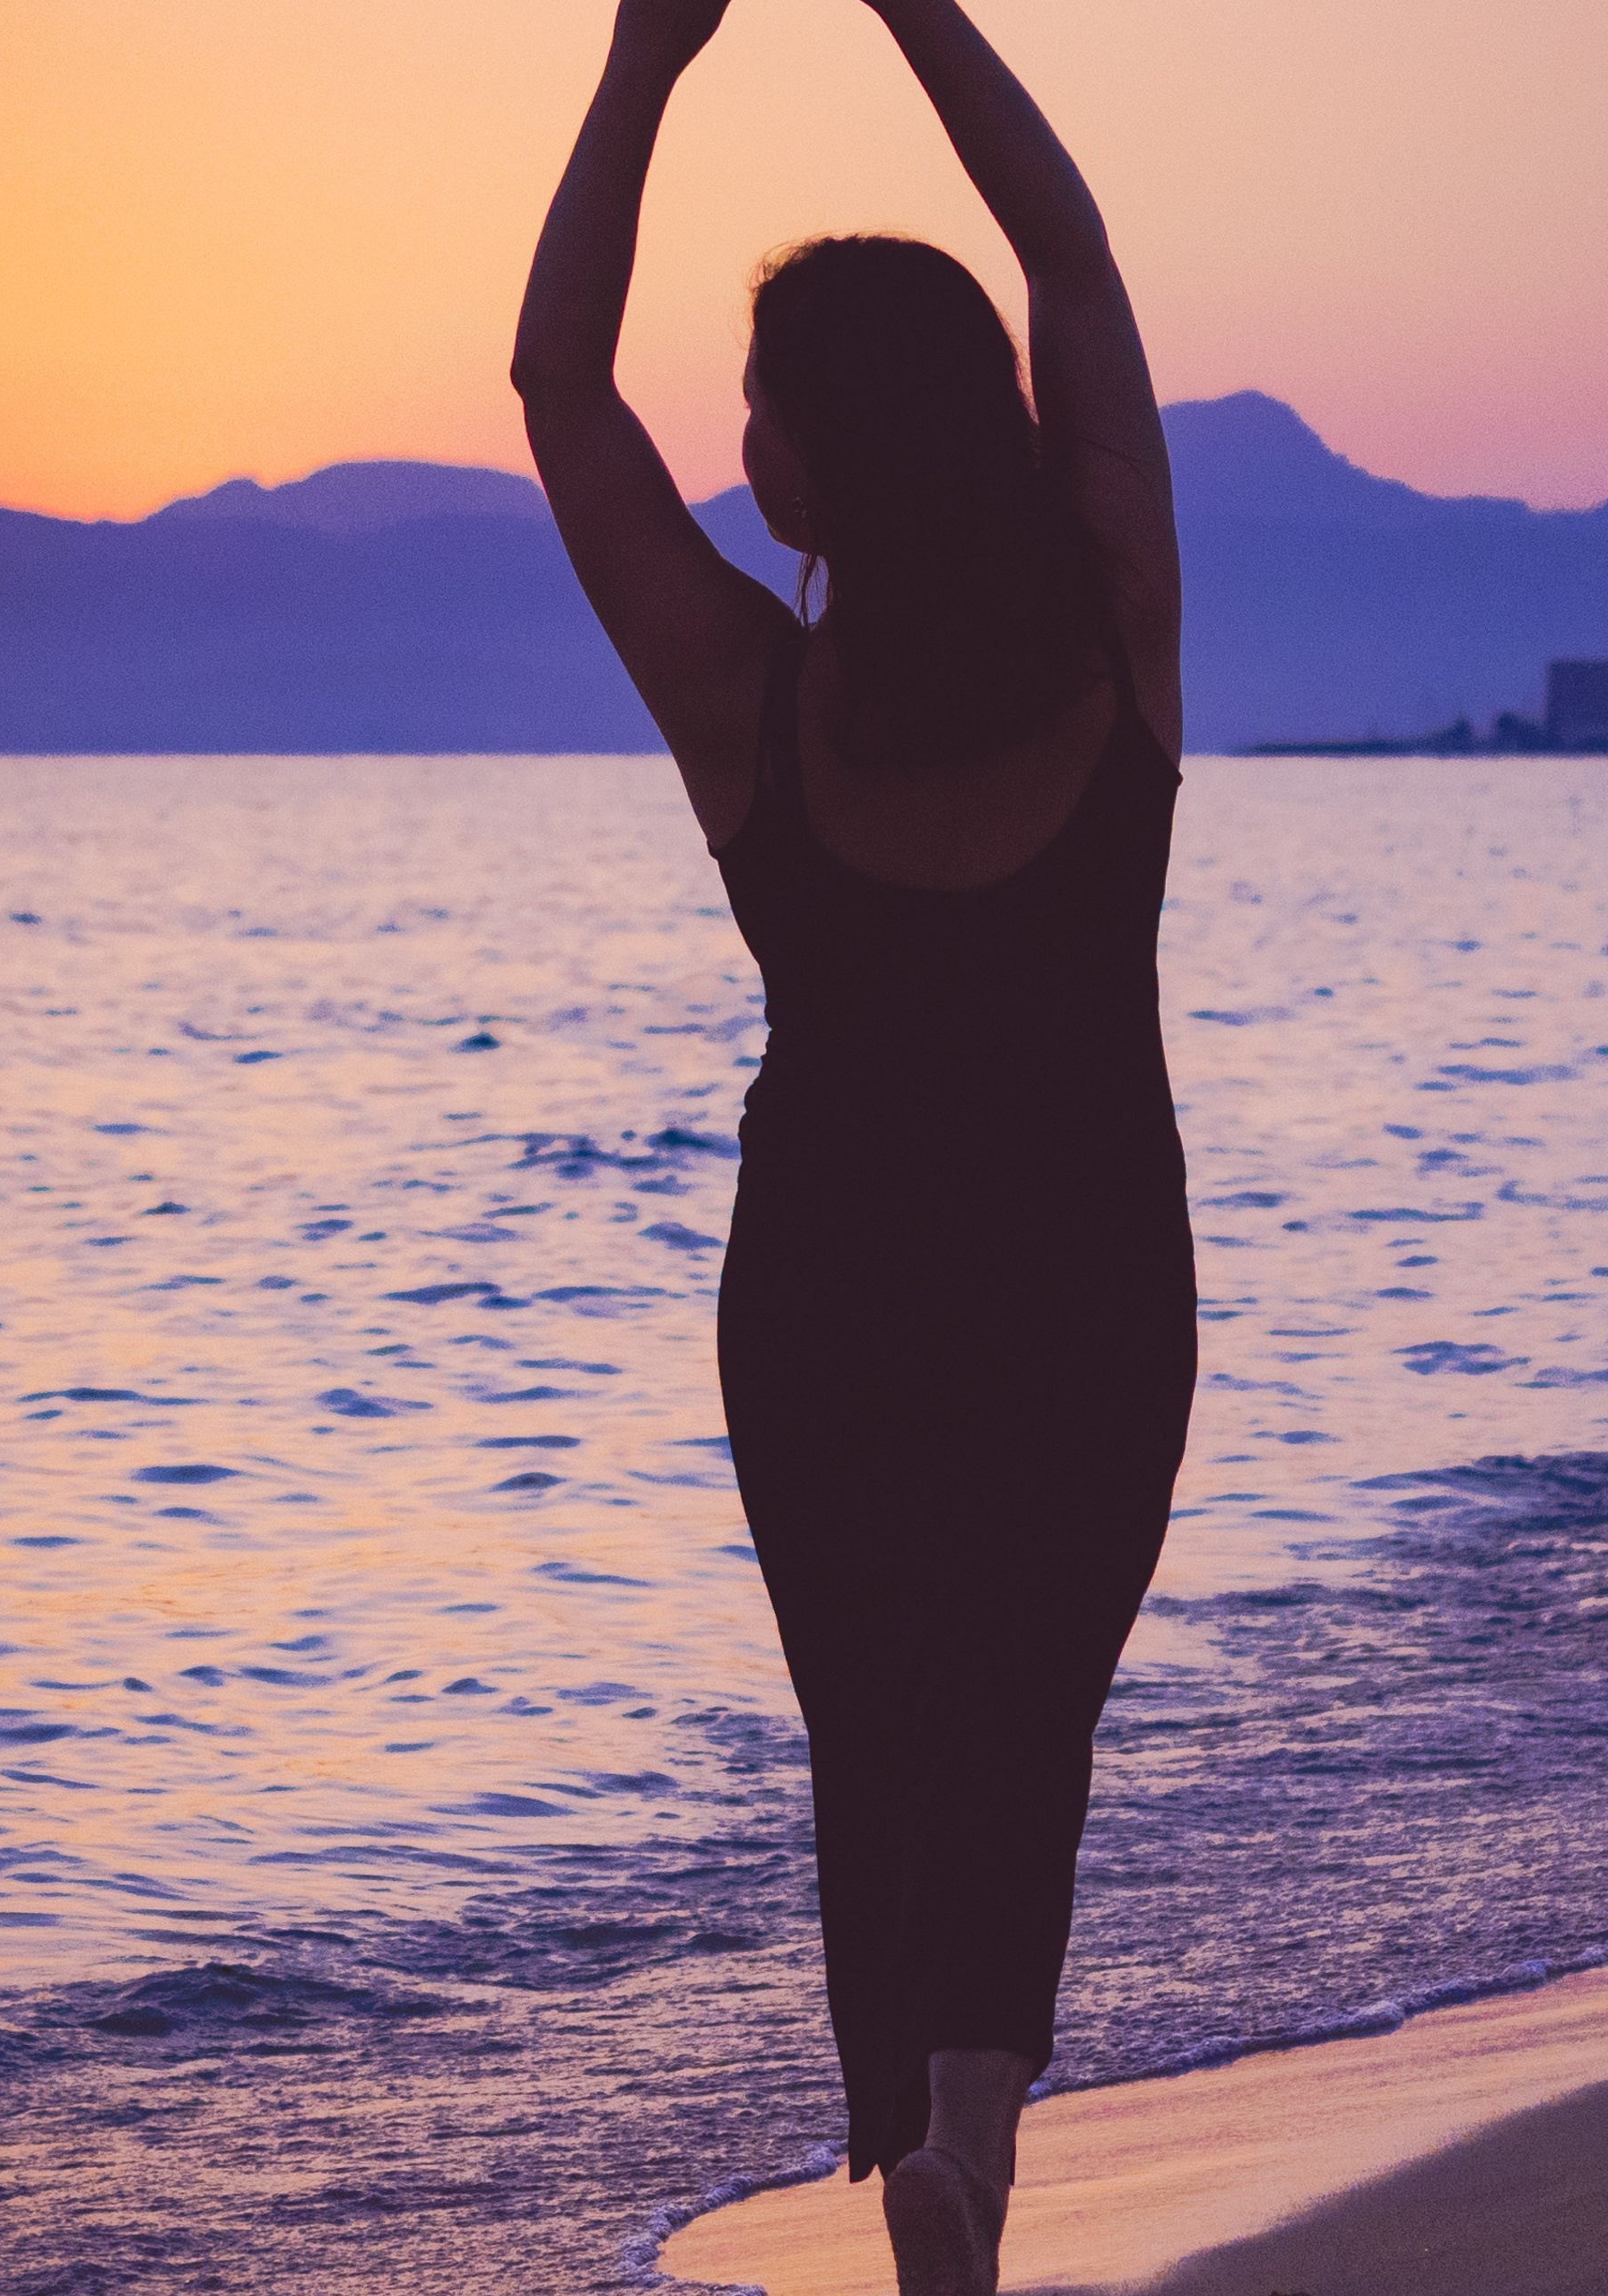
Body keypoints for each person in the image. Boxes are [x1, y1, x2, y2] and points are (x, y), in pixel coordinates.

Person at [512, 4, 1195, 2288]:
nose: (736, 440)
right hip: (1088, 1266)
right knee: (1020, 1701)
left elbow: (554, 386)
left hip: (825, 1284)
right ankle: (965, 2127)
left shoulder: (751, 701)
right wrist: (913, 7)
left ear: (821, 452)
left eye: (759, 404)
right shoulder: (1116, 635)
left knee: (876, 1719)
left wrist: (645, 60)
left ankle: (915, 2135)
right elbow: (1069, 262)